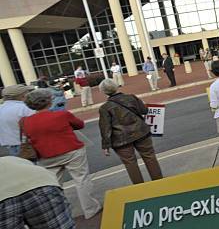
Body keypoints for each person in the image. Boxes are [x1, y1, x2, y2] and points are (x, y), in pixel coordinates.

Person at [22, 89, 101, 219]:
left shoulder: (25, 122)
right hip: (71, 150)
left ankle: (60, 213)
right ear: (48, 101)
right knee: (81, 179)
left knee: (54, 185)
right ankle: (90, 208)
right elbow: (80, 125)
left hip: (46, 156)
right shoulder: (61, 115)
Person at [98, 79, 163, 184]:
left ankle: (139, 188)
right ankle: (159, 182)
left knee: (130, 163)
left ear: (104, 92)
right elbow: (144, 111)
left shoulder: (105, 108)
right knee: (149, 156)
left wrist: (106, 145)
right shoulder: (131, 98)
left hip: (121, 139)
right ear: (116, 87)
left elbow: (105, 128)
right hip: (141, 132)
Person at [0, 85, 35, 157]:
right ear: (22, 96)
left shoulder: (1, 108)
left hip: (7, 145)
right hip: (27, 146)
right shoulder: (25, 108)